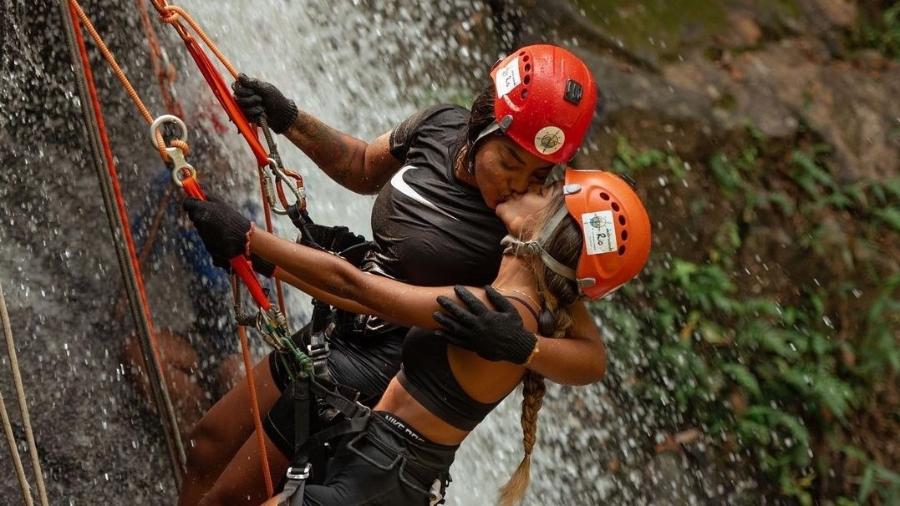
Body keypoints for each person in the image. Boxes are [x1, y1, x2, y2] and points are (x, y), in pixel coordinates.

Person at [179, 44, 607, 504]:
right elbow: (362, 165)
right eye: (508, 163)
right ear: (481, 126)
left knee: (234, 496)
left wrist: (525, 345)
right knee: (208, 444)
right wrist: (288, 118)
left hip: (377, 377)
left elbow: (591, 357)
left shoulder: (531, 227)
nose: (519, 185)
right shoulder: (440, 126)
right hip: (337, 330)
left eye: (540, 174)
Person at [186, 168, 651, 505]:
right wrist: (262, 260)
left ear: (548, 229)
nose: (531, 182)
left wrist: (249, 240)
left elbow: (360, 291)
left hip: (376, 479)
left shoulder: (491, 310)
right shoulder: (529, 307)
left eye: (547, 189)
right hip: (380, 471)